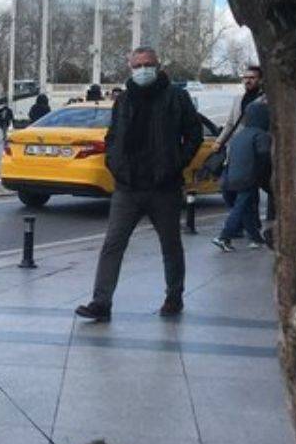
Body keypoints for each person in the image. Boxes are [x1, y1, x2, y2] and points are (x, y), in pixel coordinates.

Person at [75, 47, 203, 322]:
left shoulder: (176, 97)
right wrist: (114, 162)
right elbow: (113, 135)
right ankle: (101, 302)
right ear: (130, 67)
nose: (143, 69)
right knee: (113, 244)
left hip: (163, 186)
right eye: (138, 65)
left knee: (170, 244)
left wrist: (175, 164)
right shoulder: (125, 99)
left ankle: (174, 296)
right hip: (128, 186)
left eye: (148, 64)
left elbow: (194, 133)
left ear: (158, 66)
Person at [213, 101, 271, 251]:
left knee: (245, 209)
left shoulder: (239, 135)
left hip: (231, 178)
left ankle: (256, 238)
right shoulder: (261, 135)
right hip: (249, 178)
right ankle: (224, 236)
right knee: (240, 208)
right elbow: (264, 156)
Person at [217, 65, 273, 220]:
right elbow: (230, 123)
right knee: (227, 187)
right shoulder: (238, 99)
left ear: (260, 80)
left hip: (255, 149)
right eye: (245, 78)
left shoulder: (266, 100)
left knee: (249, 191)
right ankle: (244, 224)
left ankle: (245, 227)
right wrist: (220, 142)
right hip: (236, 150)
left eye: (252, 78)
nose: (248, 81)